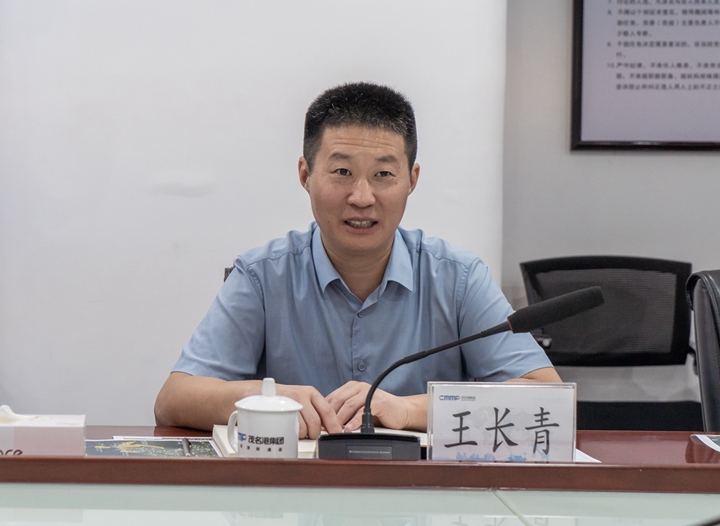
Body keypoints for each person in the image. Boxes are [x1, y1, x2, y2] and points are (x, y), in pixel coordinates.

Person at [154, 82, 561, 438]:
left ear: (412, 180)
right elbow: (174, 400)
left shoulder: (458, 278)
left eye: (383, 175)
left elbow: (548, 398)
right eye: (342, 172)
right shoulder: (263, 277)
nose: (362, 197)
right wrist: (269, 398)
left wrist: (406, 410)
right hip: (297, 493)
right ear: (305, 175)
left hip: (423, 493)